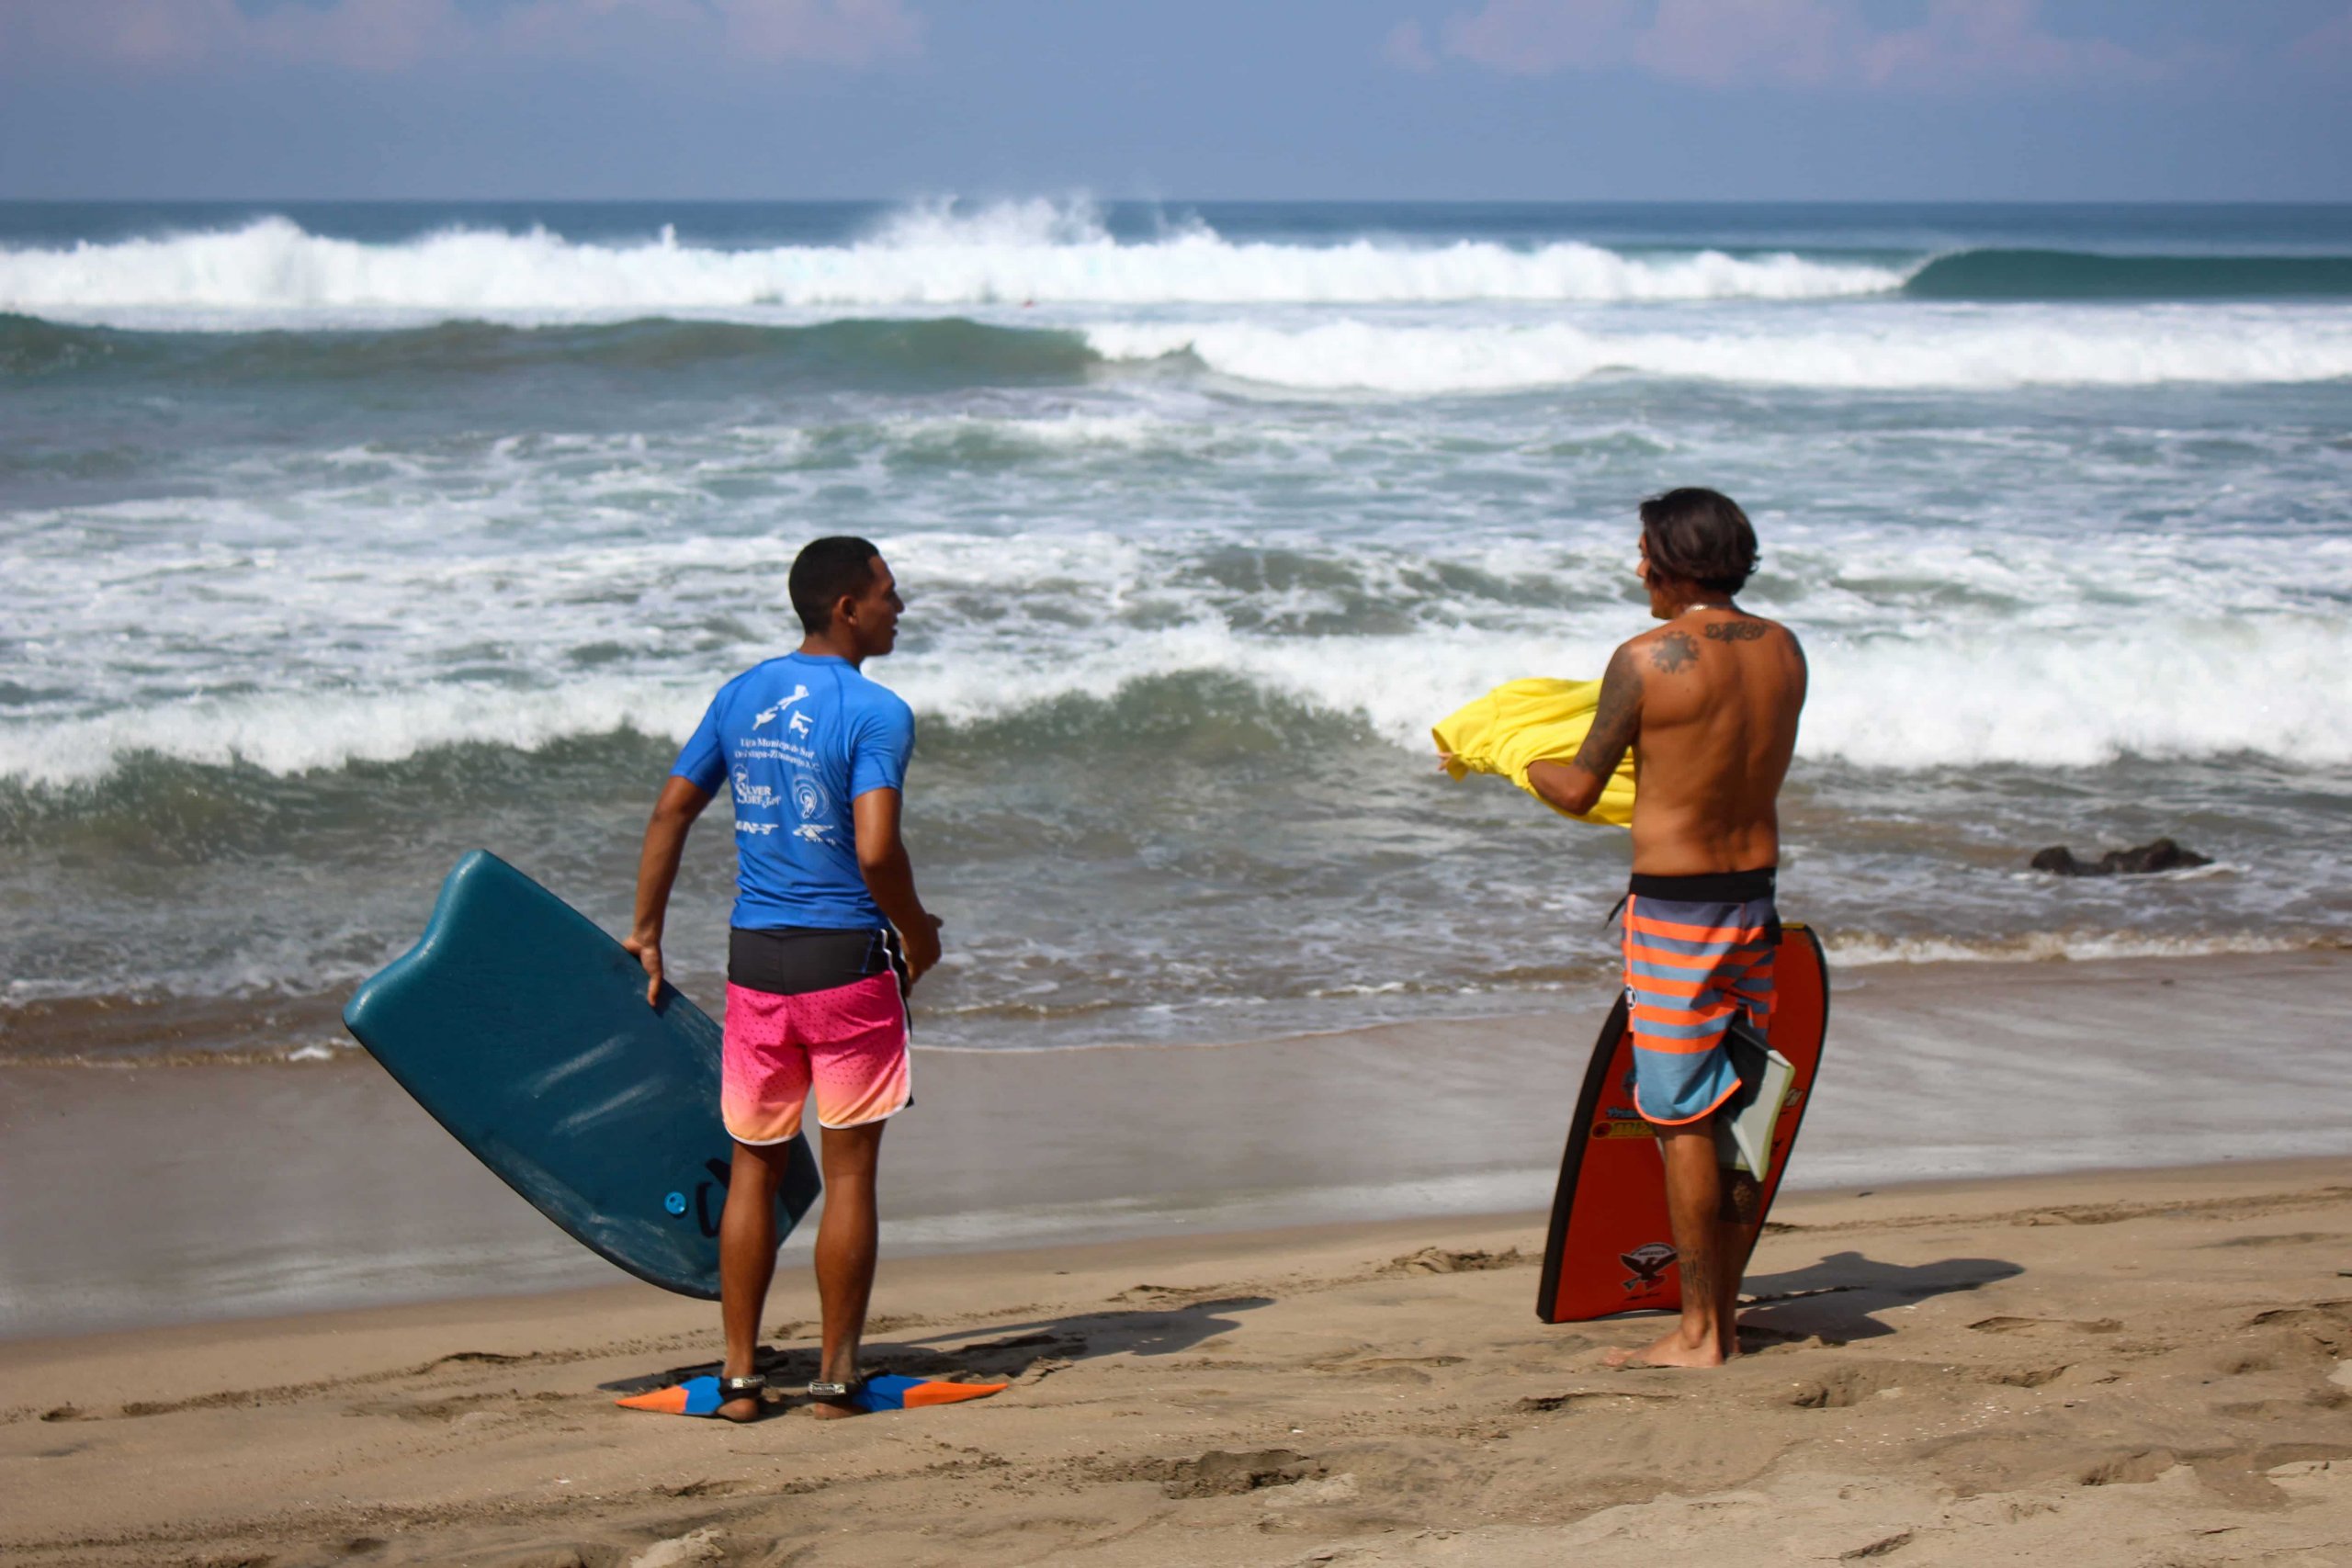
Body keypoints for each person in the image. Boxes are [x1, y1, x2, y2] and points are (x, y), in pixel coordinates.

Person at [624, 536, 943, 1420]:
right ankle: (839, 1378)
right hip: (846, 964)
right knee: (848, 1178)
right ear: (847, 606)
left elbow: (672, 807)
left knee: (754, 1168)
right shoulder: (877, 711)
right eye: (887, 592)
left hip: (755, 967)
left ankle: (737, 1380)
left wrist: (646, 931)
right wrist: (919, 934)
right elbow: (876, 848)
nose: (899, 606)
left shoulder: (740, 695)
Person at [1525, 489, 1807, 1369]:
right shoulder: (1785, 650)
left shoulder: (1645, 658)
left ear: (1672, 559)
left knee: (1681, 1117)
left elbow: (1577, 788)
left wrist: (1515, 755)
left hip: (1677, 916)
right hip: (1753, 905)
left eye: (1644, 552)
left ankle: (1699, 1333)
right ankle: (1718, 1310)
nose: (1637, 567)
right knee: (1735, 1110)